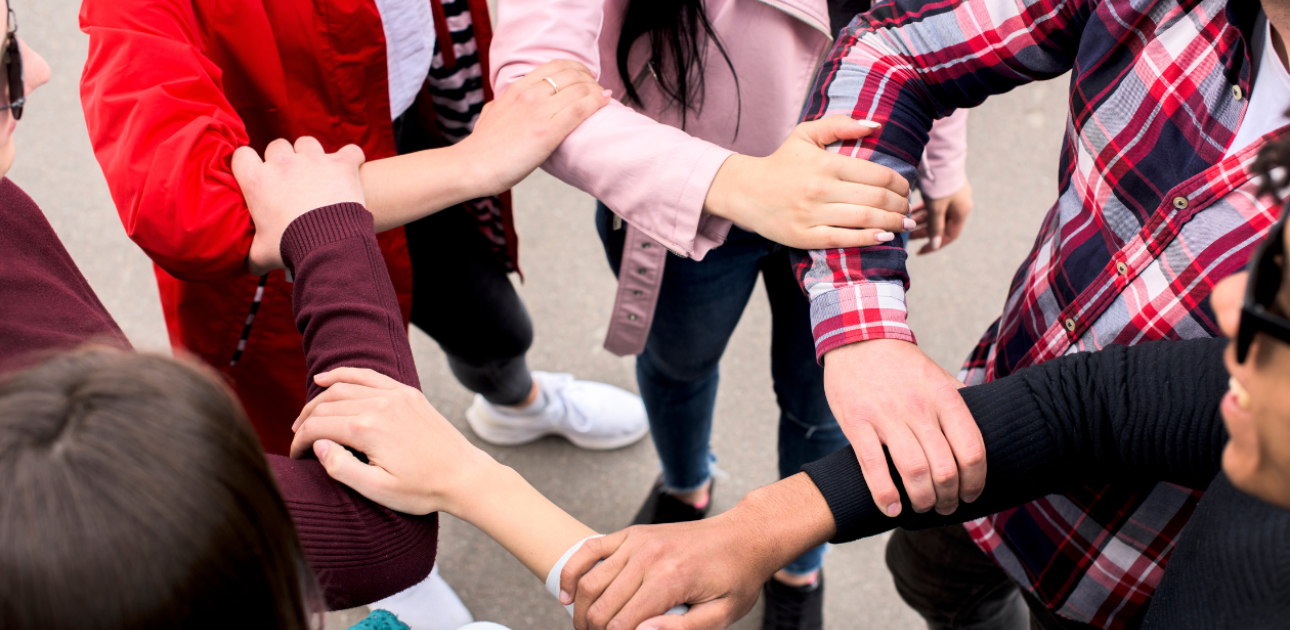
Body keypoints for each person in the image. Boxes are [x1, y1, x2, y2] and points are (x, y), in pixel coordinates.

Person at [700, 0, 1290, 627]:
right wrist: (864, 329)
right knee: (928, 578)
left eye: (1268, 295)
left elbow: (1112, 409)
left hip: (1133, 570)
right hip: (984, 425)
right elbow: (891, 50)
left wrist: (761, 531)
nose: (1232, 303)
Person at [488, 1, 972, 625]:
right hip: (680, 176)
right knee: (679, 365)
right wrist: (735, 183)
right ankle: (686, 486)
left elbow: (936, 15)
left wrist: (943, 159)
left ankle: (797, 560)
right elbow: (536, 74)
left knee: (823, 399)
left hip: (852, 188)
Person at [76, 0, 649, 463]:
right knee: (328, 417)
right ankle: (385, 562)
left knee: (495, 329)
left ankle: (514, 404)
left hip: (407, 132)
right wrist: (473, 164)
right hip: (283, 243)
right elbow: (188, 208)